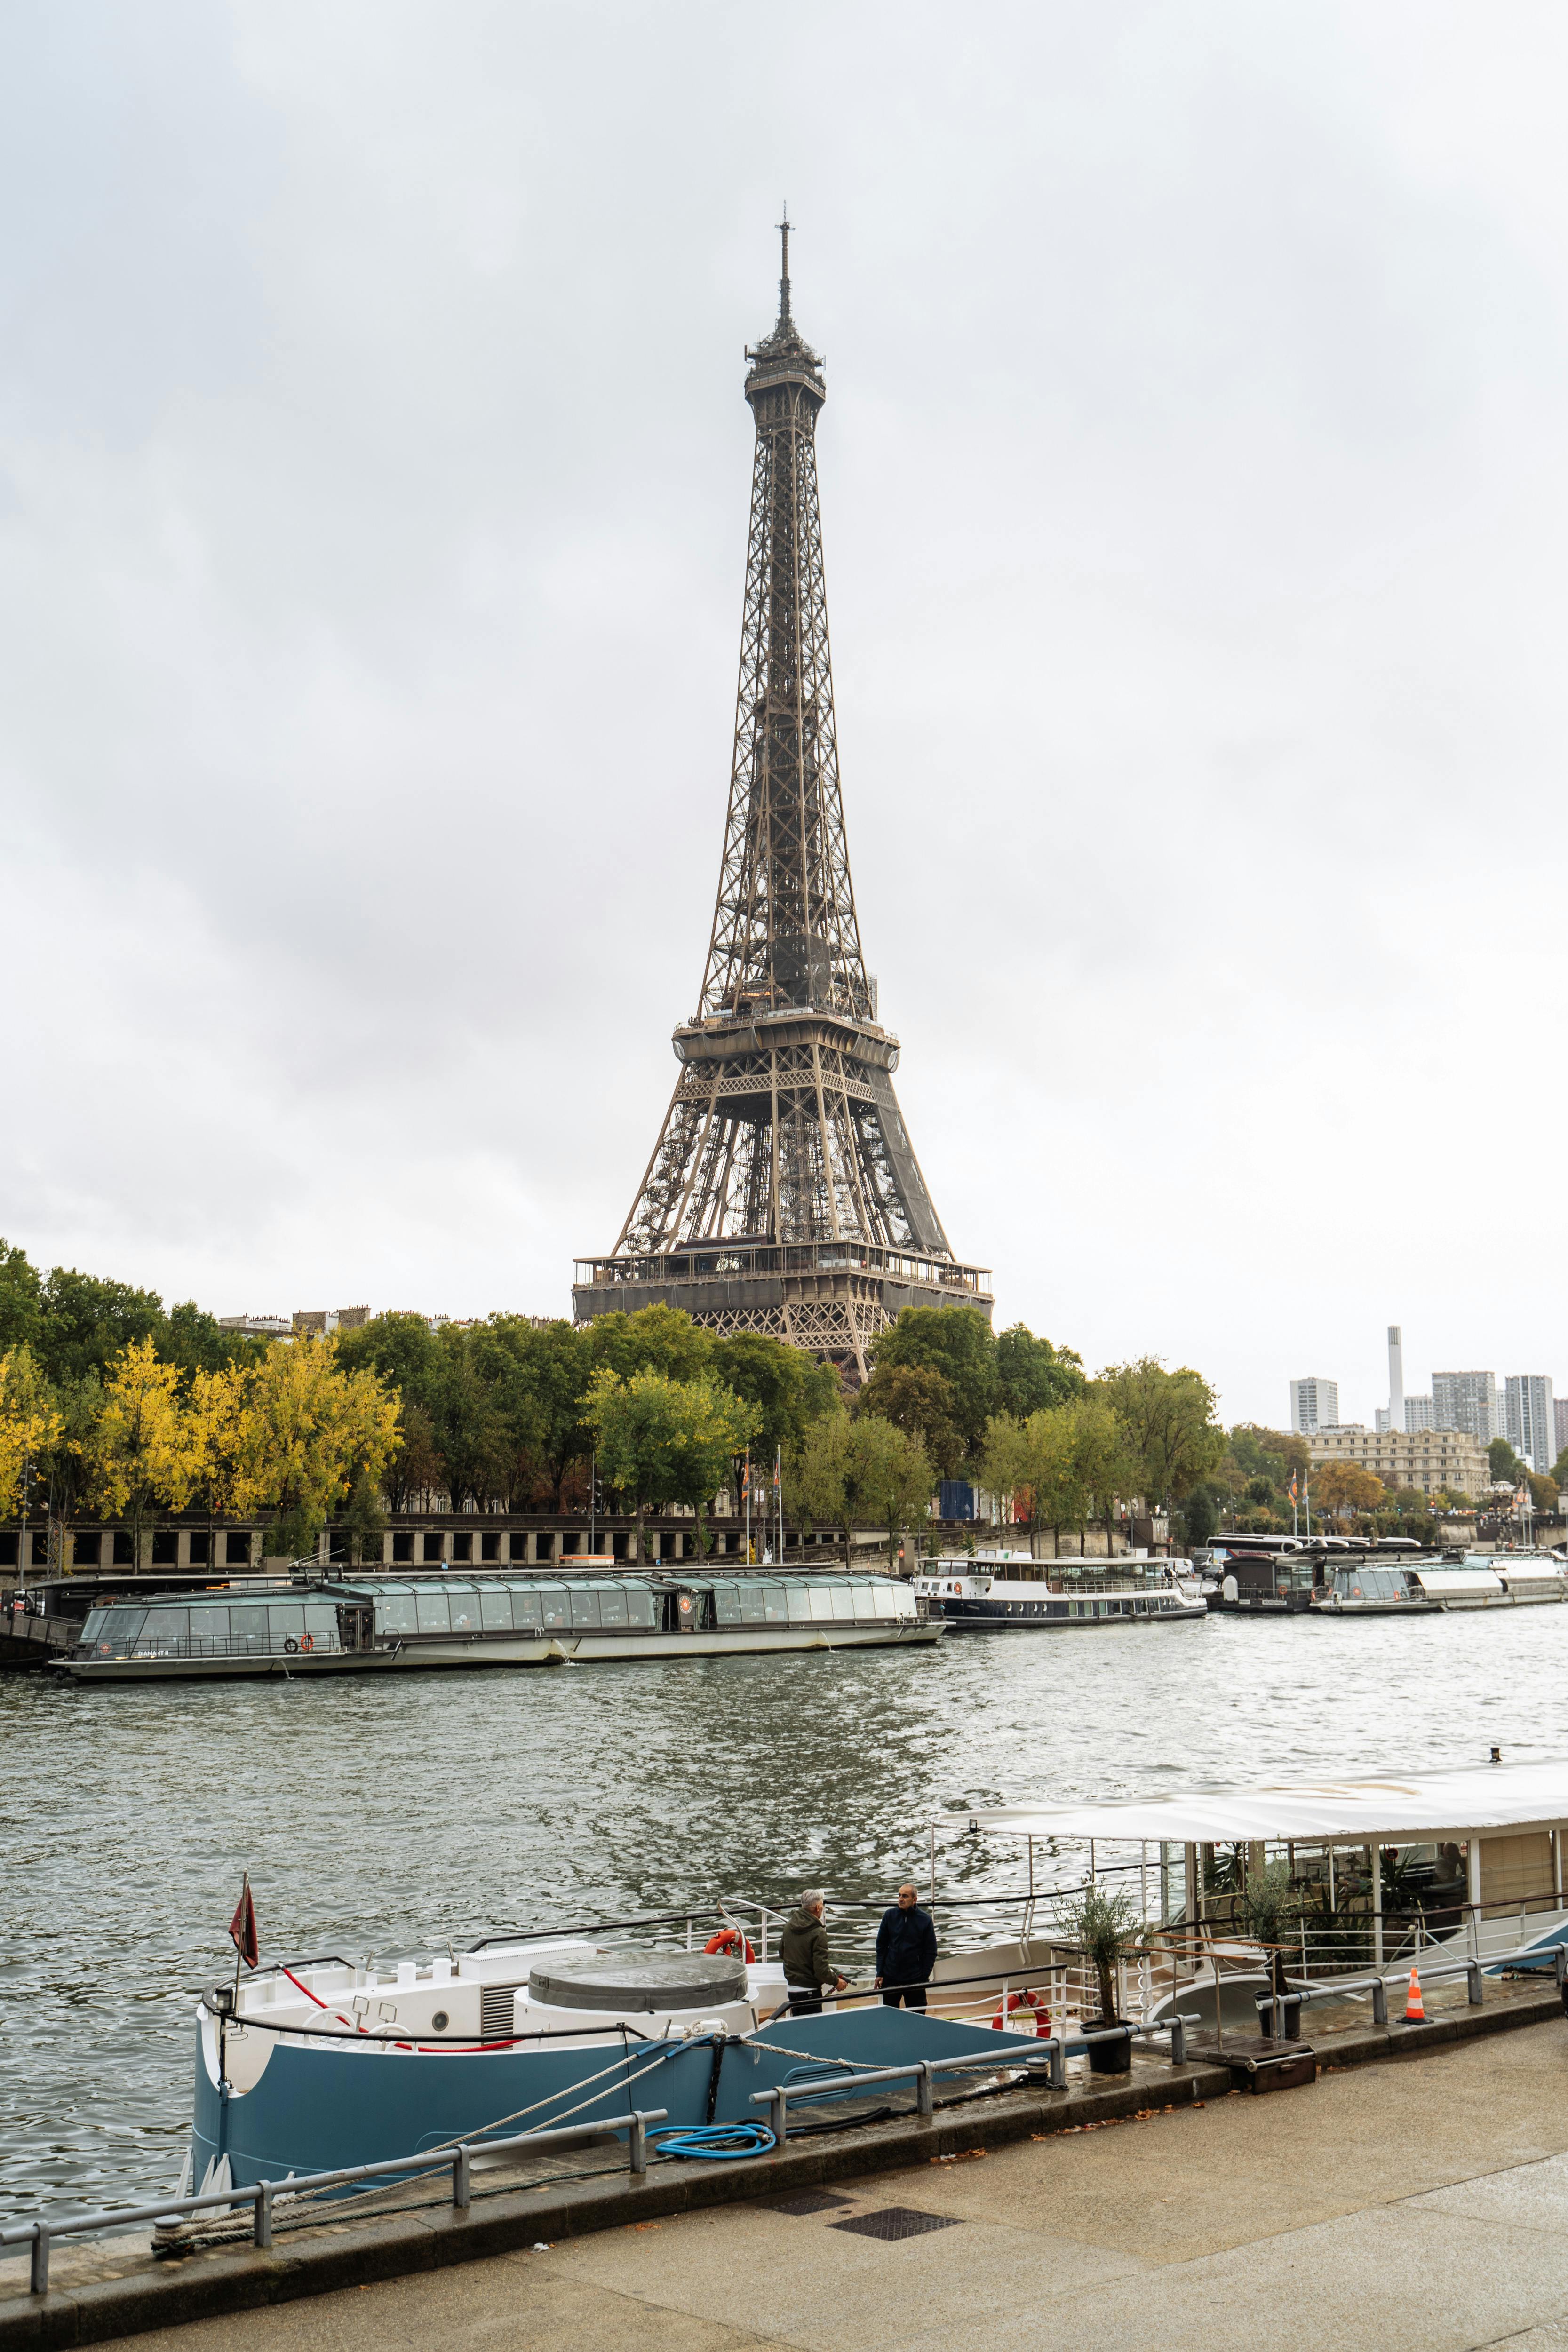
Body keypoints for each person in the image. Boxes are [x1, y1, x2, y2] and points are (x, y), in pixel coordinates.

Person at [778, 1891, 849, 2015]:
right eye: (822, 1904)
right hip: (810, 1991)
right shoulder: (818, 1932)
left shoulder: (789, 1926)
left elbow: (782, 1953)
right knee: (812, 2029)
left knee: (798, 2028)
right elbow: (821, 1970)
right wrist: (837, 1982)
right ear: (818, 1907)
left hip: (792, 1989)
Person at [874, 1882, 937, 2009]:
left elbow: (931, 1951)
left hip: (915, 1978)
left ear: (915, 1900)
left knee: (918, 2016)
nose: (900, 1899)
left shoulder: (925, 1920)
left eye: (905, 1896)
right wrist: (880, 1972)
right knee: (889, 2016)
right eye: (899, 1895)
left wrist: (923, 1977)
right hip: (891, 1976)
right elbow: (881, 1946)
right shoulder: (889, 1916)